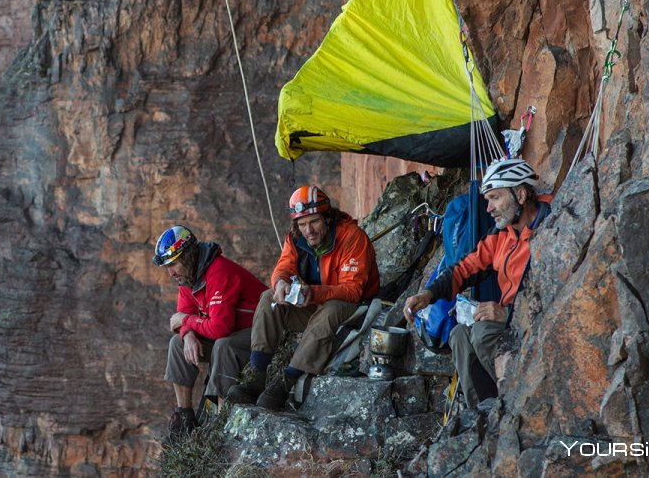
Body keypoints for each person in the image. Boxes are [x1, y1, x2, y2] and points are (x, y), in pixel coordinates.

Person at [402, 157, 552, 408]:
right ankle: (484, 412)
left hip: (533, 323)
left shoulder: (550, 228)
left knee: (482, 332)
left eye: (495, 197)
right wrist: (428, 295)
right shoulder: (504, 235)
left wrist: (506, 313)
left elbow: (553, 294)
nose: (489, 208)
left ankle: (517, 403)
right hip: (511, 321)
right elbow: (465, 268)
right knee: (459, 334)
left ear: (522, 194)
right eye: (488, 199)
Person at [226, 186, 380, 411]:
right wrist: (280, 283)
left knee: (331, 310)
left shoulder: (352, 237)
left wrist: (314, 293)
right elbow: (283, 267)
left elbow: (353, 290)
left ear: (328, 218)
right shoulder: (295, 239)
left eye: (314, 222)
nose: (309, 230)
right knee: (268, 298)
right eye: (302, 224)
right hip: (314, 303)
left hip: (357, 308)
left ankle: (286, 382)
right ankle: (257, 376)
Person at [154, 224, 267, 437]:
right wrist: (187, 334)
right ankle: (184, 415)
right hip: (232, 330)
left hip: (260, 330)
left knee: (224, 346)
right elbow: (183, 318)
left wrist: (186, 320)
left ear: (187, 256)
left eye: (173, 264)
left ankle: (212, 416)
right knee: (177, 344)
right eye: (167, 267)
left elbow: (219, 328)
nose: (170, 273)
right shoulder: (188, 279)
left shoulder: (219, 271)